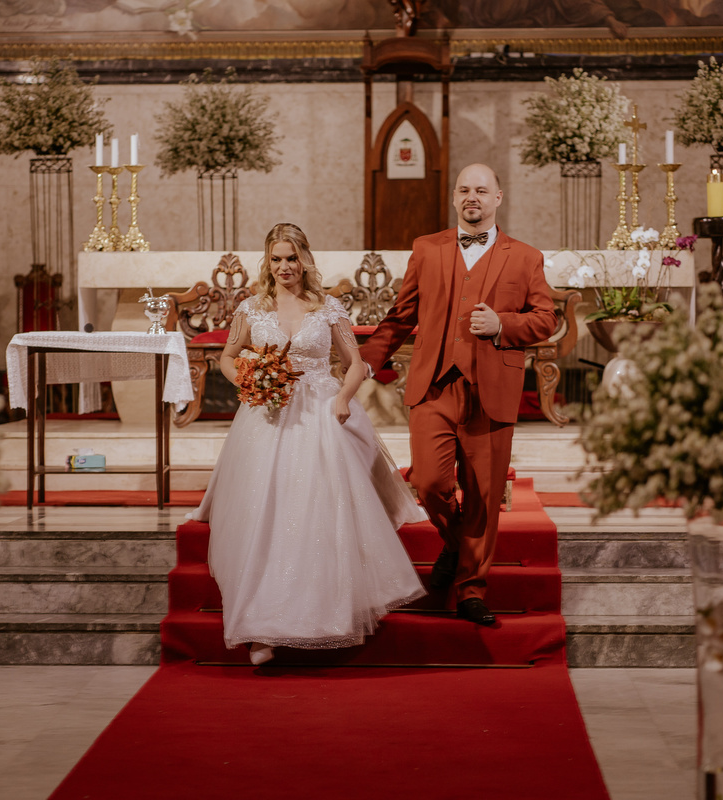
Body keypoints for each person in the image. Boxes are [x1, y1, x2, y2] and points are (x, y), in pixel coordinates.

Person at [188, 222, 427, 666]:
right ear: (268, 261)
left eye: (291, 258)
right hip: (266, 415)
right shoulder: (251, 308)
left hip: (319, 412)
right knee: (263, 515)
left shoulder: (328, 308)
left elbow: (355, 364)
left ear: (305, 260)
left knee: (314, 513)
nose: (284, 267)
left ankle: (325, 613)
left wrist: (342, 399)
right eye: (276, 259)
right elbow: (227, 355)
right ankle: (260, 627)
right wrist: (247, 380)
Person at [360, 164, 558, 627]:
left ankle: (471, 589)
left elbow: (547, 320)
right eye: (465, 190)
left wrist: (503, 325)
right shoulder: (426, 249)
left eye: (482, 190)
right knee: (429, 482)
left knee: (485, 495)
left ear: (498, 198)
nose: (473, 197)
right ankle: (455, 545)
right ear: (454, 197)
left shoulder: (525, 257)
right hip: (434, 384)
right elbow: (400, 315)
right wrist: (367, 361)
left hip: (492, 388)